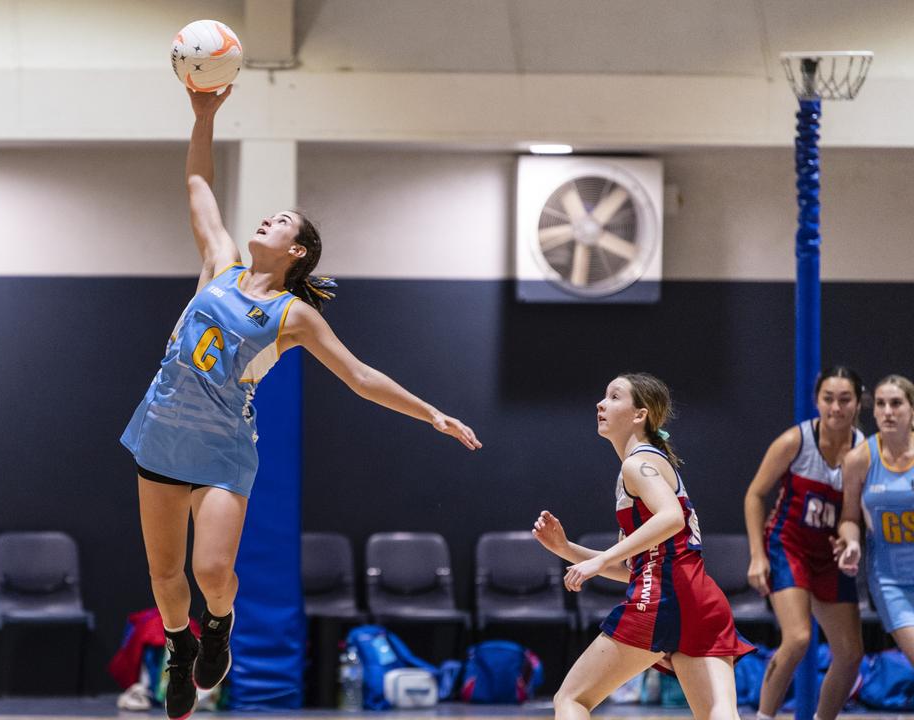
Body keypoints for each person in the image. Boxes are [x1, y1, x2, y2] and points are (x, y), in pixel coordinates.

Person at [121, 85, 481, 720]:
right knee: (164, 579)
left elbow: (360, 377)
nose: (269, 218)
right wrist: (203, 117)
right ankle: (179, 651)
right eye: (271, 214)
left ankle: (219, 628)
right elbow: (199, 183)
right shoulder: (219, 265)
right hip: (159, 433)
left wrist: (431, 412)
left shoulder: (293, 315)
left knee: (210, 573)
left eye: (283, 220)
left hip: (222, 448)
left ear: (298, 253)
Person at [532, 373, 752, 720]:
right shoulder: (648, 463)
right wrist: (565, 548)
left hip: (663, 598)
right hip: (699, 596)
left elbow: (670, 518)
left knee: (571, 699)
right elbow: (638, 569)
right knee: (717, 713)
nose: (601, 404)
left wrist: (598, 560)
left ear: (640, 414)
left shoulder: (638, 464)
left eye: (614, 397)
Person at [743, 366, 865, 720]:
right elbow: (754, 495)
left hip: (830, 554)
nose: (836, 408)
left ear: (858, 403)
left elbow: (853, 515)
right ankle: (764, 716)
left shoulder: (864, 453)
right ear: (817, 400)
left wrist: (851, 542)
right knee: (797, 639)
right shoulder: (794, 442)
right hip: (789, 545)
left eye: (845, 400)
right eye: (828, 399)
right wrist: (756, 556)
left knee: (850, 653)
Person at [837, 375, 914, 663]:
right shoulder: (860, 458)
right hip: (890, 580)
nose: (887, 411)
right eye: (881, 404)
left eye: (896, 404)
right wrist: (852, 543)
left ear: (912, 411)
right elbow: (848, 517)